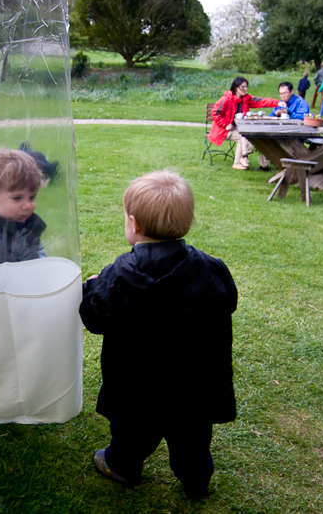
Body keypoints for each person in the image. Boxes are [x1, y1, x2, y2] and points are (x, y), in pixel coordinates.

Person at [80, 170, 238, 499]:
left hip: (135, 388)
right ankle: (196, 482)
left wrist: (92, 285)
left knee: (130, 434)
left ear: (133, 224)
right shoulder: (212, 269)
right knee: (193, 440)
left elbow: (94, 317)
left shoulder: (118, 275)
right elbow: (228, 301)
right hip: (195, 386)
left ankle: (121, 466)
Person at [209, 76, 282, 170]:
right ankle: (240, 160)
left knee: (247, 135)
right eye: (242, 87)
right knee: (243, 136)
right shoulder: (225, 99)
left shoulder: (246, 99)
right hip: (223, 129)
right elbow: (215, 114)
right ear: (235, 87)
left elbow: (261, 101)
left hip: (238, 128)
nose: (245, 89)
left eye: (246, 86)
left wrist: (277, 103)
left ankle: (244, 158)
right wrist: (225, 124)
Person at [261, 82, 310, 170]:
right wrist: (276, 114)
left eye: (285, 93)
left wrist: (289, 113)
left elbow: (304, 118)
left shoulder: (301, 102)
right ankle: (264, 165)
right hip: (280, 131)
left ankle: (291, 163)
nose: (282, 96)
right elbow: (270, 117)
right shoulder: (280, 103)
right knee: (265, 138)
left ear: (292, 91)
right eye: (280, 94)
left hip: (297, 132)